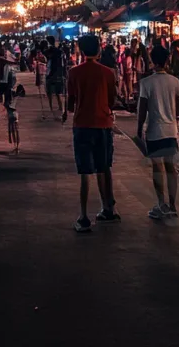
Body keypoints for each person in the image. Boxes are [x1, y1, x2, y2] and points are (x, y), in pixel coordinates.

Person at [66, 32, 119, 232]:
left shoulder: (74, 73)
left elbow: (71, 104)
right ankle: (109, 209)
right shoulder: (108, 73)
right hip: (103, 124)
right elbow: (112, 101)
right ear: (98, 49)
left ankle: (83, 216)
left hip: (82, 125)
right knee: (104, 167)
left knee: (85, 172)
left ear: (80, 49)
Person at [137, 44, 179, 219]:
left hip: (154, 130)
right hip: (171, 130)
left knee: (157, 168)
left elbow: (142, 110)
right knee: (171, 168)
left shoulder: (146, 83)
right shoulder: (175, 81)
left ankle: (161, 203)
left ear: (152, 60)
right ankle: (172, 205)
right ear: (166, 60)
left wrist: (138, 129)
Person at [45, 36, 67, 119]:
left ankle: (52, 108)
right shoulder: (59, 51)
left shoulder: (53, 51)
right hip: (57, 73)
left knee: (51, 92)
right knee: (58, 93)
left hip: (52, 74)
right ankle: (60, 107)